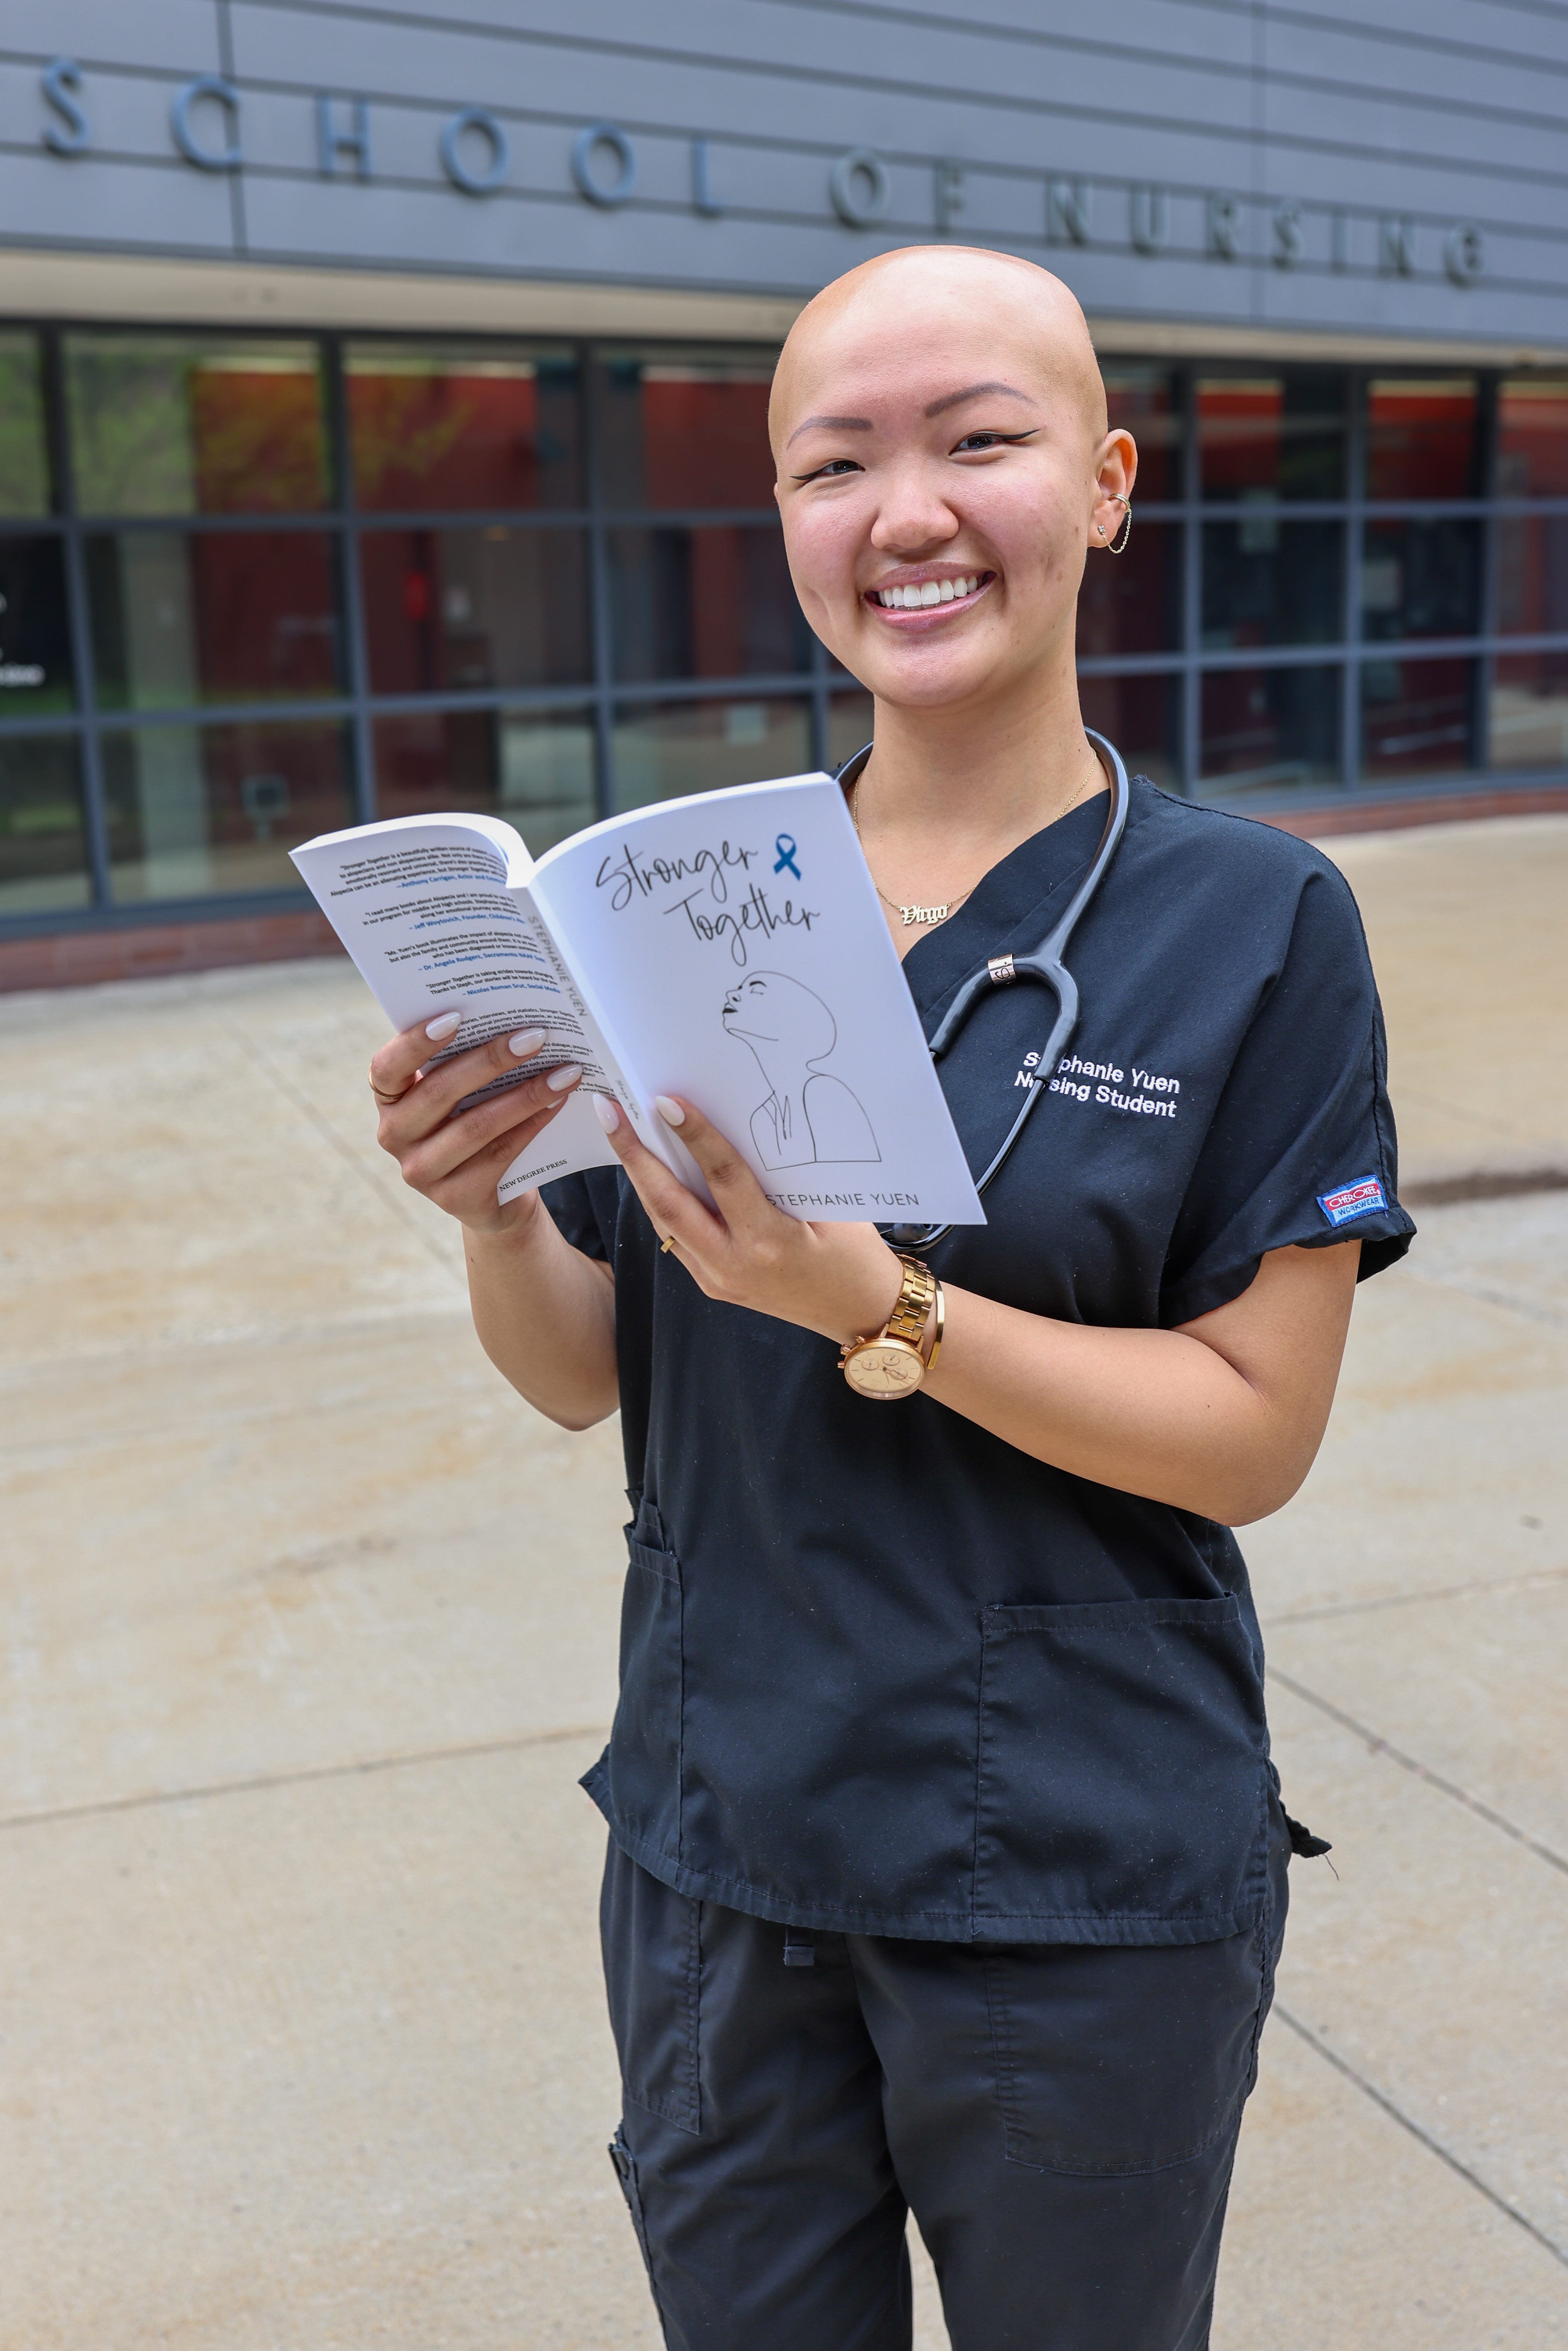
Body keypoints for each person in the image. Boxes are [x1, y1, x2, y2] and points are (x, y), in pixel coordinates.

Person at [366, 247, 1414, 2351]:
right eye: (832, 462)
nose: (903, 512)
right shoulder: (674, 907)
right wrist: (490, 1208)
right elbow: (586, 1379)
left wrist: (883, 1309)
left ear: (1106, 484)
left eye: (977, 441)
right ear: (783, 521)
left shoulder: (1255, 922)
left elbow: (1254, 1427)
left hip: (1072, 1877)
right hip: (712, 1852)